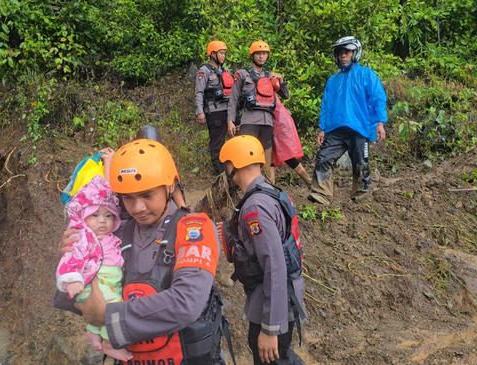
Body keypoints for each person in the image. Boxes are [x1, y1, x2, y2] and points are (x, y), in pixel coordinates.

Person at [59, 139, 227, 364]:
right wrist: (74, 257)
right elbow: (78, 299)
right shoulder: (116, 233)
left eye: (147, 195)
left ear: (169, 186)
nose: (137, 207)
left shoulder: (194, 228)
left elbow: (186, 302)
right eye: (128, 197)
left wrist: (110, 316)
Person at [219, 135, 307, 365]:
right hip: (281, 296)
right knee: (284, 357)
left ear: (233, 165)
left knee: (272, 358)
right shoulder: (270, 192)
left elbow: (274, 266)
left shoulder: (255, 208)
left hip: (273, 304)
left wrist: (270, 328)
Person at [55, 176, 132, 361]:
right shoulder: (83, 237)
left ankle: (93, 332)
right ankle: (109, 343)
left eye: (108, 216)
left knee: (107, 307)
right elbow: (71, 258)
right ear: (83, 217)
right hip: (93, 282)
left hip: (108, 281)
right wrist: (72, 280)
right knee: (113, 308)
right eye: (95, 215)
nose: (103, 221)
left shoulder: (109, 237)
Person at [309, 36, 387, 205]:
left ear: (354, 53)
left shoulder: (366, 75)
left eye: (347, 52)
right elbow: (326, 105)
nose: (343, 56)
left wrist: (380, 123)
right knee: (323, 158)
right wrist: (322, 128)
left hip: (359, 128)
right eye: (340, 53)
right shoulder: (333, 80)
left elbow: (378, 98)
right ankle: (321, 194)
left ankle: (361, 197)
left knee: (360, 163)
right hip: (336, 129)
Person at [228, 40, 288, 180]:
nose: (261, 56)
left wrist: (281, 80)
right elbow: (233, 99)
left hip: (267, 122)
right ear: (252, 55)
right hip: (249, 120)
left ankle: (267, 188)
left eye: (264, 54)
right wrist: (230, 121)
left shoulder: (270, 75)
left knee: (265, 159)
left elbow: (285, 95)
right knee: (245, 156)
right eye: (258, 54)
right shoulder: (242, 74)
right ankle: (236, 185)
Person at [196, 40, 233, 174]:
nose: (223, 56)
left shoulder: (225, 71)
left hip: (227, 111)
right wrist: (200, 112)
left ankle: (230, 169)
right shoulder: (204, 71)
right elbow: (199, 92)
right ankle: (220, 172)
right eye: (221, 53)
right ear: (212, 54)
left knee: (231, 140)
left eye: (224, 54)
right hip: (214, 112)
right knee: (217, 142)